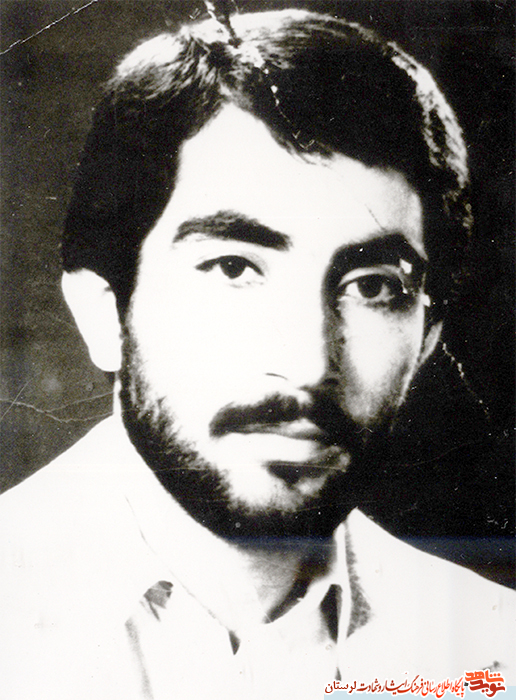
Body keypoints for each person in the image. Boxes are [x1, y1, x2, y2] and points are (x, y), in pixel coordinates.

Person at [0, 7, 514, 699]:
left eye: (371, 287)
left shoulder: (493, 651)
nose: (308, 364)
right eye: (233, 268)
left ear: (425, 340)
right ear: (105, 314)